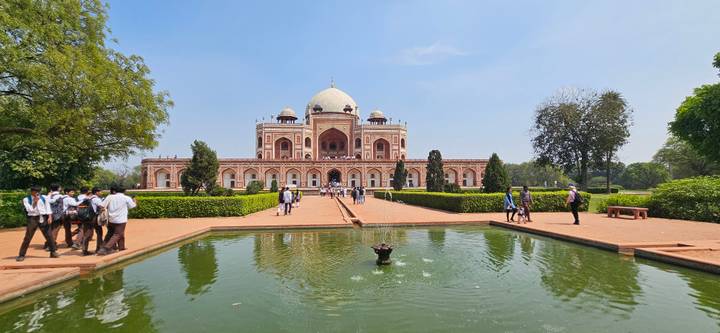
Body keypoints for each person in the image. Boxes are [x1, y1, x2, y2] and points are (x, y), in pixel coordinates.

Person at [17, 187, 60, 261]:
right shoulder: (26, 199)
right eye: (36, 191)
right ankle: (21, 254)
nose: (37, 193)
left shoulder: (44, 197)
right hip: (32, 218)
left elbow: (48, 207)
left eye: (38, 191)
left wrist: (49, 217)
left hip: (43, 217)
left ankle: (53, 252)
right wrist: (35, 202)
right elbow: (30, 210)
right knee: (28, 236)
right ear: (32, 192)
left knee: (49, 235)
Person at [97, 187, 137, 255]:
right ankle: (106, 248)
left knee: (111, 233)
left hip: (110, 219)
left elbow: (101, 205)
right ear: (124, 191)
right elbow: (132, 206)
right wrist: (134, 201)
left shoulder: (110, 197)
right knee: (118, 234)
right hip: (120, 220)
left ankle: (121, 247)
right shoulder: (126, 198)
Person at [80, 187, 105, 255]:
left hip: (85, 218)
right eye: (100, 192)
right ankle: (98, 248)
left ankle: (84, 250)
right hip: (93, 218)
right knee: (99, 232)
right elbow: (102, 207)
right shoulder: (96, 199)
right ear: (96, 192)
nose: (101, 193)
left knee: (86, 234)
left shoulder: (87, 198)